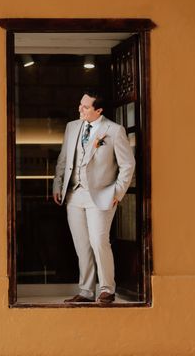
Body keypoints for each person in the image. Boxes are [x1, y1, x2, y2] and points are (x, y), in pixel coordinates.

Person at [52, 92, 135, 304]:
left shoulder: (115, 131)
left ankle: (107, 289)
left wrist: (117, 192)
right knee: (82, 245)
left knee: (98, 241)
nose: (80, 109)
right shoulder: (72, 127)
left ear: (99, 110)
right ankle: (86, 291)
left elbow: (128, 165)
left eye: (86, 107)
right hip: (74, 194)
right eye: (80, 105)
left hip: (102, 195)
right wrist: (58, 184)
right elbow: (63, 158)